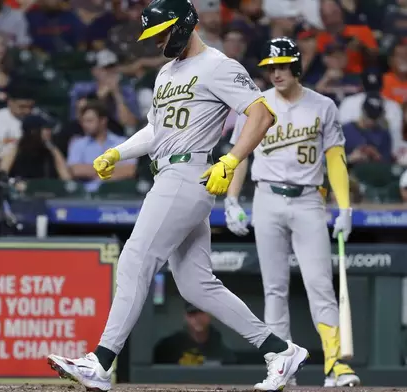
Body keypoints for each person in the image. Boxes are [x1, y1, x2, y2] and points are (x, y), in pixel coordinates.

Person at [46, 1, 309, 391]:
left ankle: (100, 362)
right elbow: (156, 129)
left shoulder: (219, 65)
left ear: (184, 24)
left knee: (136, 257)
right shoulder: (167, 73)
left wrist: (231, 160)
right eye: (153, 36)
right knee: (195, 284)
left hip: (189, 173)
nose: (158, 42)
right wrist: (119, 151)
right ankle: (279, 350)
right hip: (167, 171)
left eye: (162, 32)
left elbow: (261, 115)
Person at [224, 37, 361, 388]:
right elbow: (240, 156)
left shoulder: (323, 105)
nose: (276, 73)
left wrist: (344, 208)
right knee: (274, 289)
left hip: (309, 201)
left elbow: (336, 160)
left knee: (319, 285)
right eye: (271, 67)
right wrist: (232, 200)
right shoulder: (257, 105)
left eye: (282, 66)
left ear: (296, 66)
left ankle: (335, 365)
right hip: (267, 199)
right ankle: (282, 368)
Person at [153, 302, 236, 365]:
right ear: (185, 317)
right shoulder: (167, 348)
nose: (198, 318)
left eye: (202, 312)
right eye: (192, 313)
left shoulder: (222, 351)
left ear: (210, 315)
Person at [0, 112, 71, 180]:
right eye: (46, 128)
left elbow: (66, 176)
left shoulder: (51, 150)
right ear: (33, 131)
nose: (50, 131)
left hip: (45, 191)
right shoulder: (15, 150)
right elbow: (2, 175)